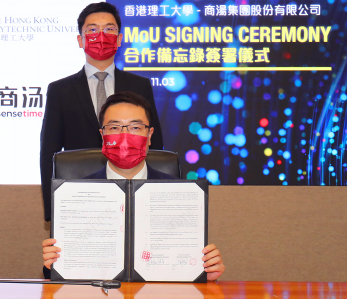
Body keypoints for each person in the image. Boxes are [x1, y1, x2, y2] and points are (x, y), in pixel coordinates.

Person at [41, 91, 225, 281]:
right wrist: (52, 264)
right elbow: (58, 275)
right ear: (102, 135)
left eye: (135, 127)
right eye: (114, 127)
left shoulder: (181, 196)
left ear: (150, 134)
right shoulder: (74, 196)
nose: (125, 135)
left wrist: (205, 272)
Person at [40, 2, 164, 222]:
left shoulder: (140, 85)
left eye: (109, 29)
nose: (101, 35)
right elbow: (48, 153)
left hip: (134, 193)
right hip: (80, 196)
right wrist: (53, 208)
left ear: (119, 38)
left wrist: (155, 198)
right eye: (92, 29)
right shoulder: (59, 90)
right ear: (80, 40)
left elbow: (155, 144)